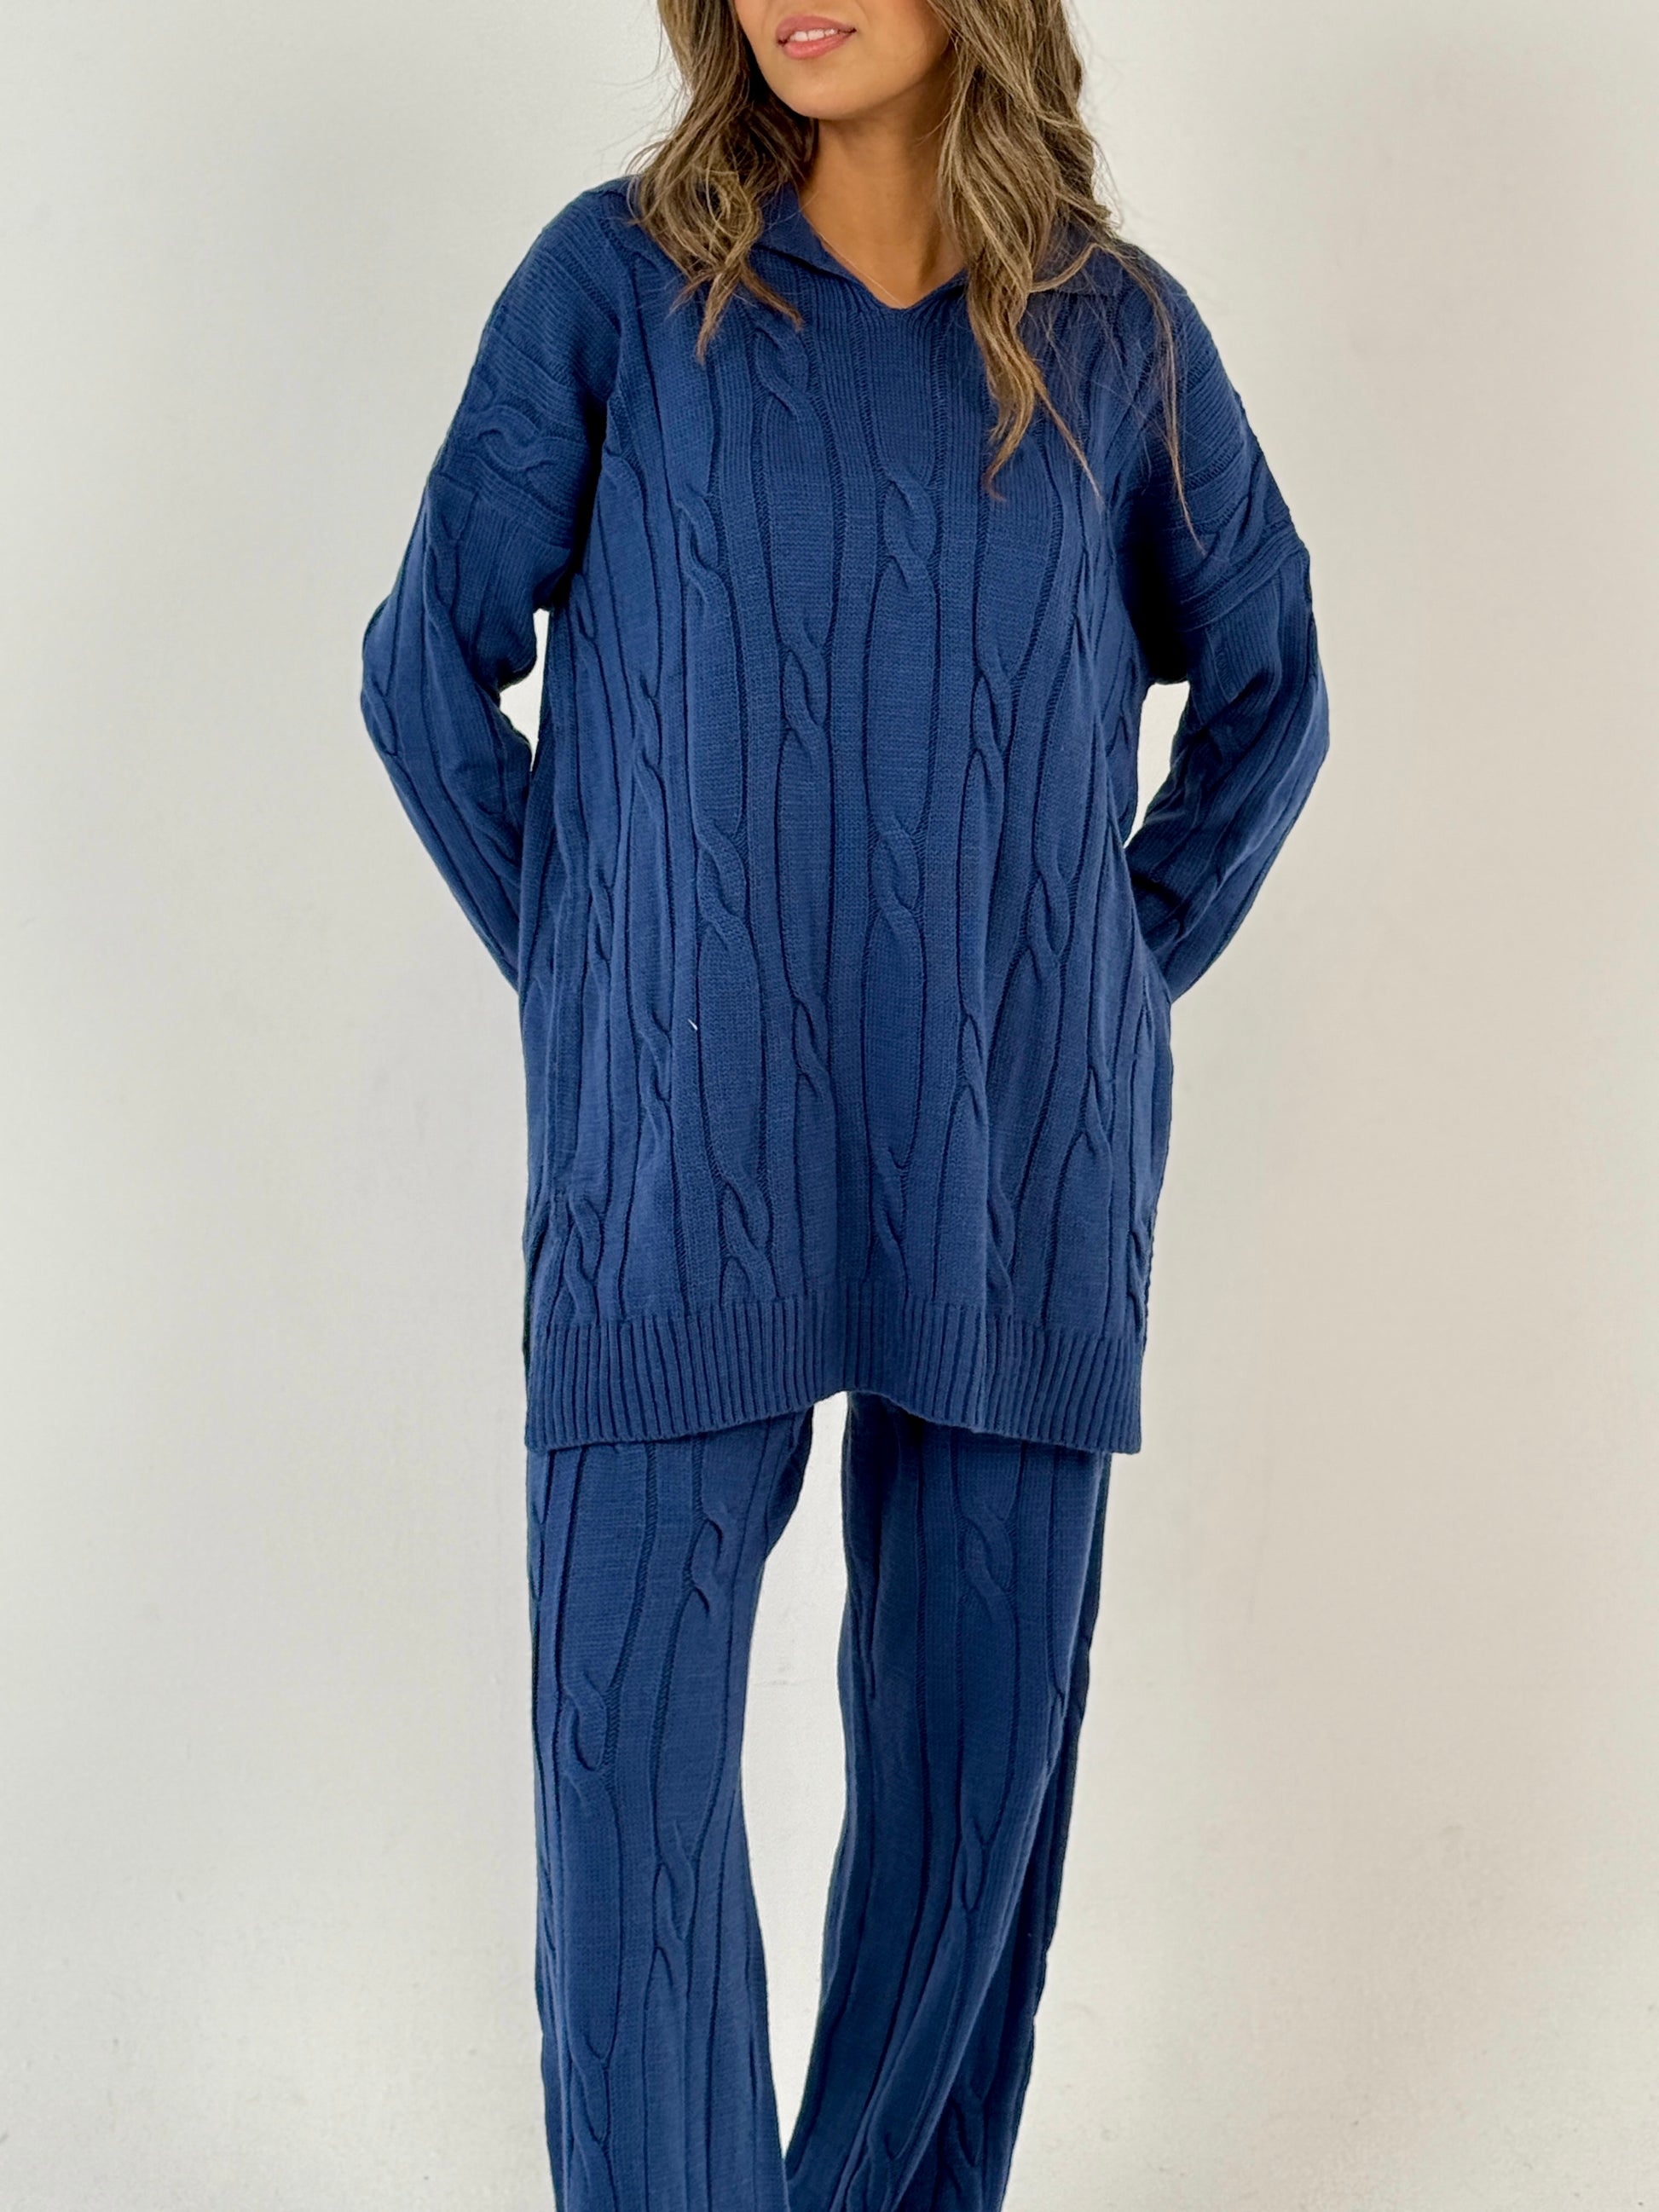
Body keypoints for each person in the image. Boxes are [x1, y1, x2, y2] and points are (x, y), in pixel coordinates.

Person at [358, 1, 1330, 2203]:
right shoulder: (615, 288)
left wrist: (1104, 965)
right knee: (627, 1798)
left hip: (1010, 1164)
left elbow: (1267, 687)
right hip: (673, 1166)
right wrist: (613, 981)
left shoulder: (1113, 338)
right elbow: (425, 670)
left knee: (972, 1802)